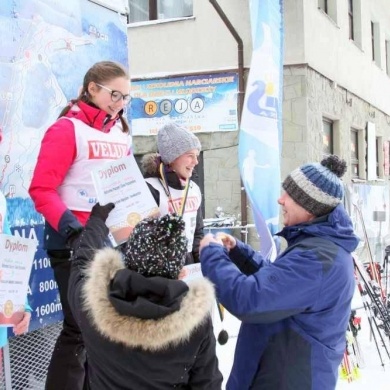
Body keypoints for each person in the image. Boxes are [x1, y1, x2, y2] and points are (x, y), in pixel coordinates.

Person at [199, 154, 360, 390]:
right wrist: (239, 253)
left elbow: (251, 299)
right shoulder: (318, 247)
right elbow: (281, 285)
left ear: (310, 207)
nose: (280, 200)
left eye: (290, 196)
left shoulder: (316, 258)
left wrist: (211, 255)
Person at [28, 61, 131, 390]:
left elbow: (124, 188)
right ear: (91, 88)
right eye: (115, 94)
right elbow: (41, 190)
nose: (120, 103)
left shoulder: (119, 133)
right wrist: (74, 230)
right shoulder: (66, 130)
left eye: (126, 97)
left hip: (105, 241)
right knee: (79, 329)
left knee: (99, 332)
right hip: (71, 242)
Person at [67, 202, 223, 389]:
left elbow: (80, 262)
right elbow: (207, 384)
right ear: (179, 270)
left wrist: (97, 220)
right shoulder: (196, 322)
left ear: (130, 257)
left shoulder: (92, 306)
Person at [141, 122, 203, 264]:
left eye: (197, 155)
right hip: (161, 271)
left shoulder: (193, 188)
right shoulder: (151, 188)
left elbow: (197, 232)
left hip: (189, 268)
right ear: (172, 157)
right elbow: (141, 241)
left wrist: (199, 262)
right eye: (190, 155)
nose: (196, 161)